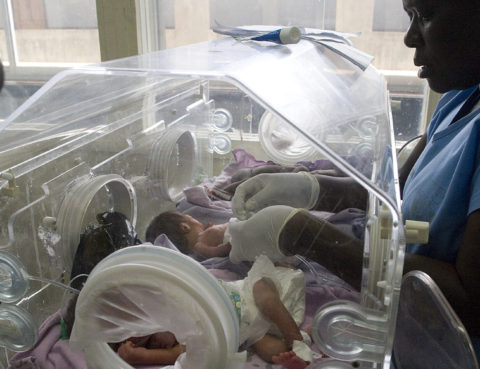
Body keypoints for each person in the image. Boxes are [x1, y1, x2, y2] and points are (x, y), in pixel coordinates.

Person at [228, 0, 480, 349]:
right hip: (399, 319)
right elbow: (392, 194)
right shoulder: (462, 98)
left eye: (424, 15)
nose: (409, 38)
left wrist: (306, 234)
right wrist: (305, 186)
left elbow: (471, 305)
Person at [109, 255, 314, 369]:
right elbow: (175, 355)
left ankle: (294, 337)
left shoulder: (173, 299)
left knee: (263, 295)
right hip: (253, 332)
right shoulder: (186, 342)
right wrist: (143, 358)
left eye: (152, 339)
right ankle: (306, 339)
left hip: (257, 293)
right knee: (270, 351)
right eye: (153, 348)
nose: (158, 345)